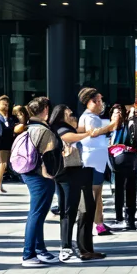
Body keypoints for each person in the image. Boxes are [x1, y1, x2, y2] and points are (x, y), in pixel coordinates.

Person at [18, 96, 64, 267]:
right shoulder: (44, 131)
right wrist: (48, 174)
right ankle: (28, 254)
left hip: (29, 172)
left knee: (36, 213)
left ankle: (39, 249)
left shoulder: (29, 127)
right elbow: (48, 155)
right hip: (39, 176)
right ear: (45, 110)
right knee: (36, 214)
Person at [48, 103, 97, 260]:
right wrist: (88, 134)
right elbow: (68, 138)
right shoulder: (60, 128)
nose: (73, 116)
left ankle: (72, 247)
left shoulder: (68, 127)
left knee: (71, 209)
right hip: (68, 173)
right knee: (69, 210)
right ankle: (66, 249)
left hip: (73, 172)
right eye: (70, 114)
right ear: (61, 116)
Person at [77, 87, 119, 236]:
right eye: (98, 101)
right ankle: (96, 224)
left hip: (96, 158)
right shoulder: (90, 117)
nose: (101, 104)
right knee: (95, 193)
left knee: (97, 192)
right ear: (91, 102)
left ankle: (99, 222)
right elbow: (93, 132)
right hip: (93, 159)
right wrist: (111, 125)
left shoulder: (90, 116)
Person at [108, 103, 137, 229]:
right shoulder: (107, 128)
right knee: (116, 189)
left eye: (120, 113)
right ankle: (118, 216)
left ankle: (129, 219)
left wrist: (132, 116)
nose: (118, 115)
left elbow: (134, 139)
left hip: (127, 160)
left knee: (129, 188)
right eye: (115, 113)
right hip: (111, 161)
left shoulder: (127, 126)